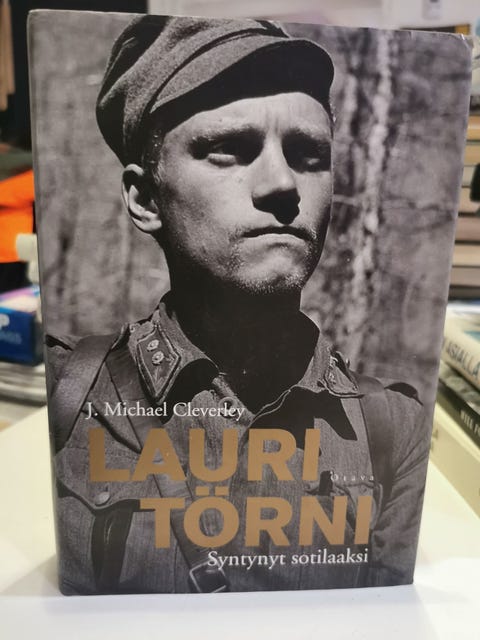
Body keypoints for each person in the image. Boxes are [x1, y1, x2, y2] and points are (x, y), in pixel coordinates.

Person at [46, 15, 428, 595]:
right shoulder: (71, 398)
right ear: (145, 198)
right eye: (229, 149)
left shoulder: (392, 429)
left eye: (308, 154)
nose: (282, 185)